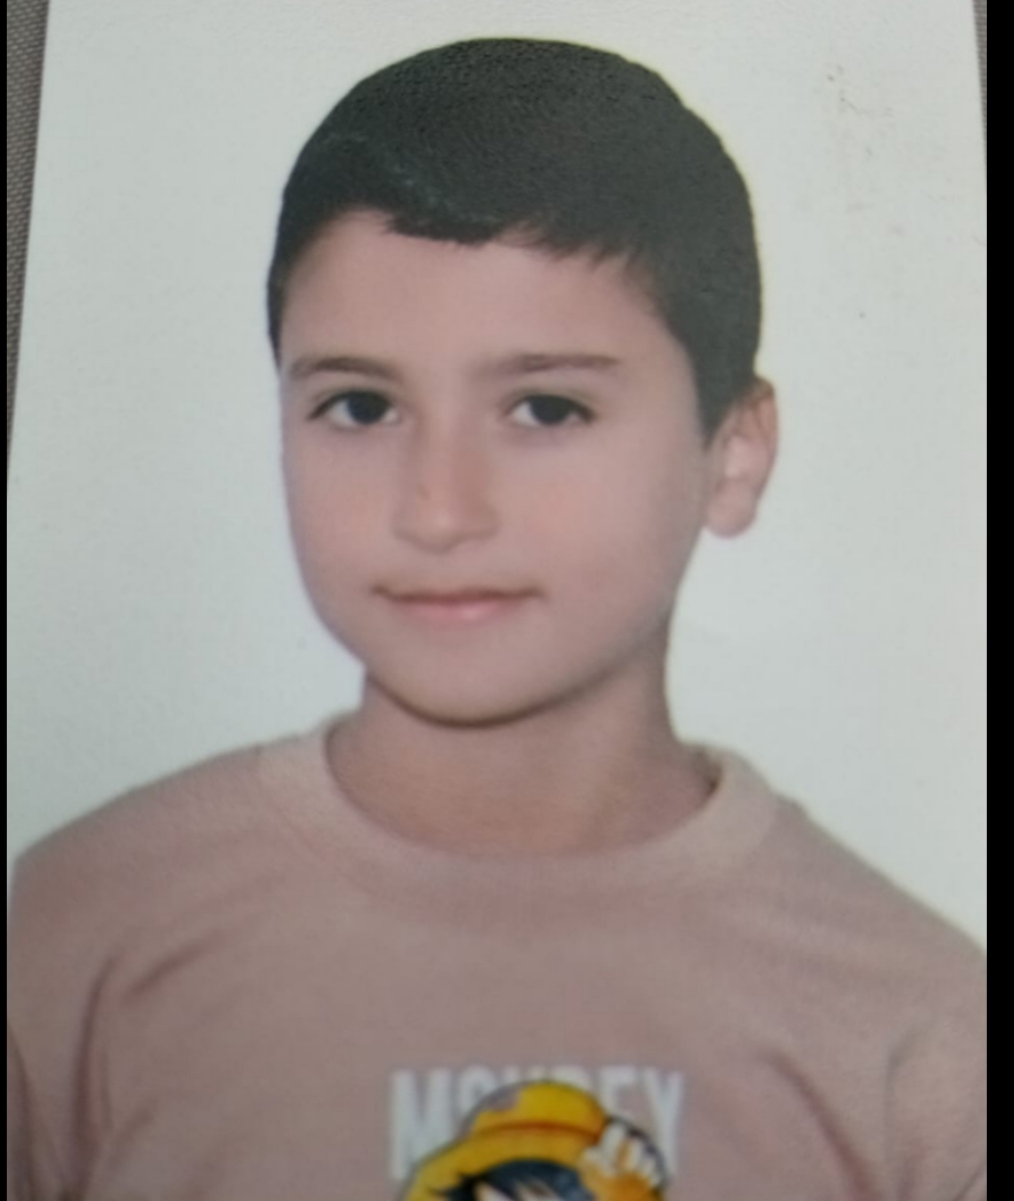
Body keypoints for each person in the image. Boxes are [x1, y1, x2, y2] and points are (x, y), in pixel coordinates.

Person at [7, 37, 986, 1200]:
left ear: (732, 452)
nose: (439, 508)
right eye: (361, 405)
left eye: (547, 409)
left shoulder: (920, 1034)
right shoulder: (71, 938)